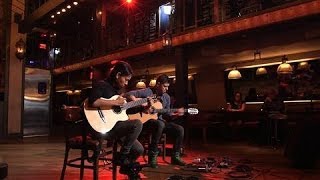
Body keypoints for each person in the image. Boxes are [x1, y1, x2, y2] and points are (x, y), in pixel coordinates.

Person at [88, 61, 144, 178]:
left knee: (138, 149)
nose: (127, 83)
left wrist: (142, 107)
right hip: (103, 128)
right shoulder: (101, 85)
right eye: (126, 79)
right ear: (118, 75)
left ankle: (124, 166)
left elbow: (121, 112)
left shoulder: (116, 91)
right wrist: (115, 102)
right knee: (137, 124)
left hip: (115, 127)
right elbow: (94, 101)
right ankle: (122, 157)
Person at [125, 74, 186, 168]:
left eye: (167, 87)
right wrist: (141, 104)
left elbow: (167, 114)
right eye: (165, 86)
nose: (167, 89)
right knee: (159, 124)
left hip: (159, 121)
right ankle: (152, 156)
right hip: (145, 123)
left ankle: (175, 156)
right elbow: (129, 94)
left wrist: (175, 114)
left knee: (179, 129)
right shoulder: (147, 91)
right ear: (158, 84)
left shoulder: (167, 97)